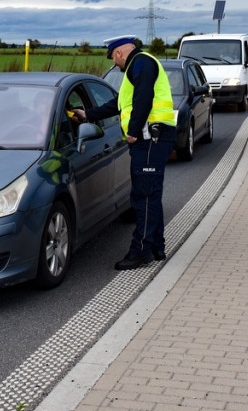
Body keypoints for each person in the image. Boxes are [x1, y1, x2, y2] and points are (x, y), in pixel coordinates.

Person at [72, 36, 177, 270]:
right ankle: (155, 247)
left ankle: (140, 251)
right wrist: (88, 114)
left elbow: (144, 99)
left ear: (119, 53)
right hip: (152, 136)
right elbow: (118, 105)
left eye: (113, 58)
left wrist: (133, 130)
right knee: (149, 194)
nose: (115, 64)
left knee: (144, 195)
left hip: (150, 136)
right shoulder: (137, 67)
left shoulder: (140, 62)